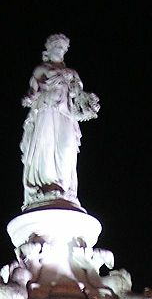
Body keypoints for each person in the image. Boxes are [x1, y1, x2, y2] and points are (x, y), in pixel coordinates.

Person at [20, 34, 100, 211]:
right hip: (47, 111)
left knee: (66, 149)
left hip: (65, 115)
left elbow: (79, 96)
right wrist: (29, 98)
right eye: (57, 47)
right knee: (46, 148)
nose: (60, 50)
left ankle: (65, 189)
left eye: (63, 48)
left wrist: (87, 103)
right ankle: (46, 188)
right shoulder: (41, 69)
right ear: (49, 50)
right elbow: (32, 92)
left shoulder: (72, 74)